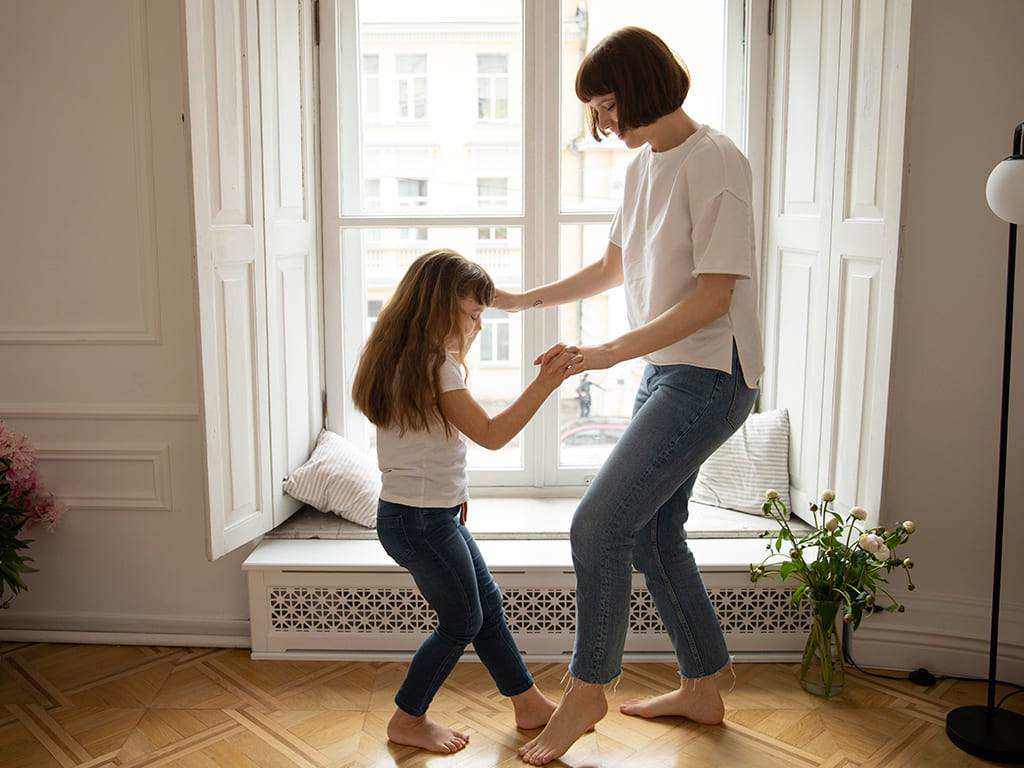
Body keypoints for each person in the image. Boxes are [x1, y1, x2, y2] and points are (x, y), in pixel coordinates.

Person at [495, 27, 764, 765]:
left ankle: (587, 690)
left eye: (607, 104)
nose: (602, 123)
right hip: (669, 372)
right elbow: (615, 266)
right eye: (596, 109)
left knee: (597, 526)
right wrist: (520, 301)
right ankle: (704, 684)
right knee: (650, 532)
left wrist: (604, 353)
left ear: (643, 87)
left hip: (711, 377)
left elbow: (714, 298)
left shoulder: (716, 161)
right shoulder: (646, 167)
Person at [351, 249, 581, 754]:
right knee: (462, 622)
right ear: (439, 309)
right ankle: (407, 719)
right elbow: (492, 434)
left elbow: (429, 451)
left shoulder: (400, 355)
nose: (479, 325)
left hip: (426, 516)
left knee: (487, 607)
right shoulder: (437, 366)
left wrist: (453, 500)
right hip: (421, 522)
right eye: (475, 314)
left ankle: (528, 704)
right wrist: (546, 383)